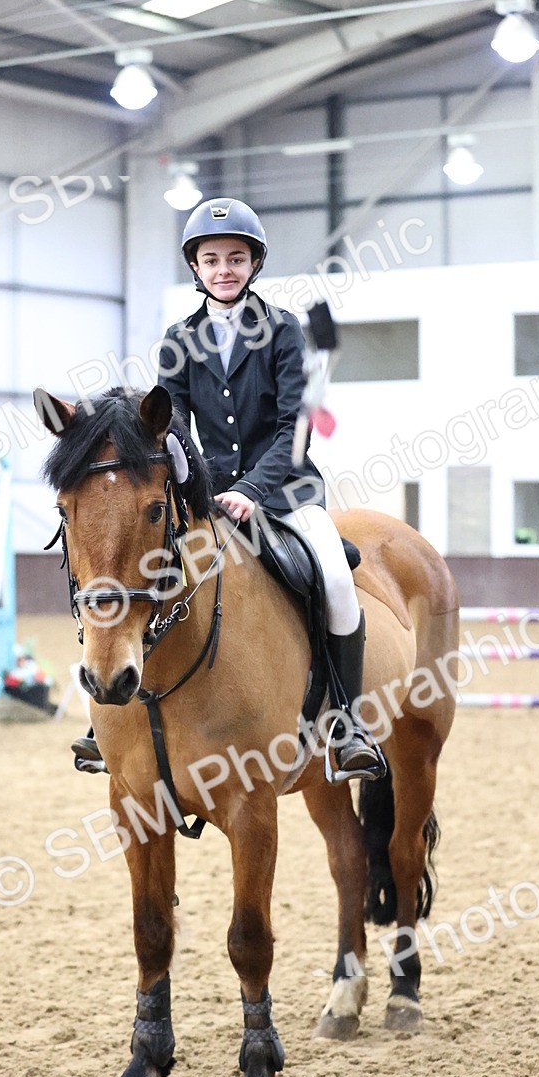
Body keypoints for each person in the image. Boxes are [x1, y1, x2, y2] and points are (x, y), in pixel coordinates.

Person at [155, 196, 380, 782]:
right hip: (206, 492)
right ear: (196, 267)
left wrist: (254, 488)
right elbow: (173, 424)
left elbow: (292, 428)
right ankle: (120, 717)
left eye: (235, 258)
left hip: (288, 490)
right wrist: (196, 484)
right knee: (146, 574)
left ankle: (348, 723)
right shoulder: (178, 340)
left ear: (253, 263)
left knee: (334, 576)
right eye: (211, 259)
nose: (223, 269)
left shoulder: (281, 330)